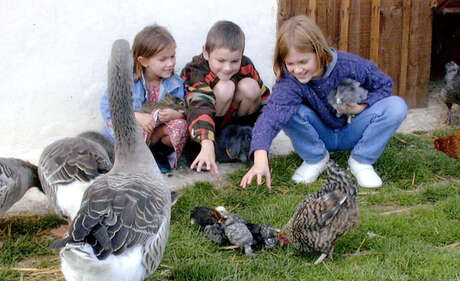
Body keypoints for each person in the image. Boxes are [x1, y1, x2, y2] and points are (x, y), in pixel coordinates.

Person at [240, 15, 407, 190]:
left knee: (396, 106)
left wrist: (363, 106)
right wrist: (259, 160)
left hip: (352, 131)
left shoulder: (349, 65)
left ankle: (361, 161)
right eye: (290, 63)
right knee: (286, 110)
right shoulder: (289, 82)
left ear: (319, 51)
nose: (297, 69)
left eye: (303, 61)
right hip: (320, 135)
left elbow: (384, 84)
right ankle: (315, 159)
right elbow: (270, 118)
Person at [181, 20, 270, 175]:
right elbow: (199, 105)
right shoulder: (195, 70)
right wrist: (206, 142)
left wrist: (263, 136)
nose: (228, 67)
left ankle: (241, 140)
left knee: (250, 86)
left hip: (231, 123)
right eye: (221, 60)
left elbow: (265, 100)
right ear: (206, 53)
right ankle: (207, 149)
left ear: (242, 54)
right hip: (202, 128)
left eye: (235, 61)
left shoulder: (246, 65)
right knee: (225, 87)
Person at [100, 24, 188, 173]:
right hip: (136, 133)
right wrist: (134, 116)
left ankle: (157, 154)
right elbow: (107, 107)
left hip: (156, 134)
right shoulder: (127, 80)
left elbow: (185, 107)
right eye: (162, 59)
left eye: (172, 56)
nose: (171, 63)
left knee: (181, 125)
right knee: (135, 129)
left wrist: (177, 114)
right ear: (144, 61)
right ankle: (132, 163)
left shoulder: (175, 83)